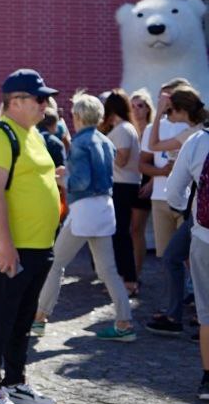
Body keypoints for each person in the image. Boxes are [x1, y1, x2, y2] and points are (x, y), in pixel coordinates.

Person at [0, 69, 62, 404]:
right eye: (41, 98)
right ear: (17, 102)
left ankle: (15, 381)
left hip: (39, 245)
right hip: (13, 246)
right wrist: (5, 245)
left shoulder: (33, 134)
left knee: (23, 319)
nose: (47, 104)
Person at [34, 92, 134, 341]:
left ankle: (39, 318)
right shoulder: (105, 140)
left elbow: (80, 181)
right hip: (104, 207)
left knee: (56, 263)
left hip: (84, 210)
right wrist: (68, 172)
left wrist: (60, 178)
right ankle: (124, 323)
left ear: (78, 116)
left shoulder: (79, 142)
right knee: (109, 271)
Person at [144, 86, 206, 337]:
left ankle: (180, 317)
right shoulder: (198, 131)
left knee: (174, 257)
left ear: (181, 110)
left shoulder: (192, 136)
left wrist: (157, 113)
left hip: (195, 210)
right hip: (198, 208)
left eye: (171, 111)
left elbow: (154, 144)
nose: (169, 115)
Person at [159, 119, 209, 399]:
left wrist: (184, 210)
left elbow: (174, 191)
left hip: (204, 237)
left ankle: (208, 380)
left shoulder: (198, 141)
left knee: (207, 313)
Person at [140, 78, 190, 260]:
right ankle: (171, 288)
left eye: (169, 96)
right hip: (160, 199)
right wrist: (160, 173)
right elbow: (143, 163)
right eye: (162, 96)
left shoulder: (191, 126)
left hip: (187, 199)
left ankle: (192, 287)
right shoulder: (152, 128)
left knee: (188, 255)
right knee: (165, 255)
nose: (165, 100)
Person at [101, 90, 142, 295]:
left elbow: (122, 159)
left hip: (123, 185)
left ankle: (128, 281)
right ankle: (124, 279)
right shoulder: (125, 128)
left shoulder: (123, 129)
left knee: (120, 235)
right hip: (124, 184)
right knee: (119, 234)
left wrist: (105, 148)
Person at [129, 89, 154, 281]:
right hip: (128, 183)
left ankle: (136, 273)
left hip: (146, 183)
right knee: (127, 230)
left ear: (148, 108)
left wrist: (153, 182)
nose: (136, 110)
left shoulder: (153, 130)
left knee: (137, 230)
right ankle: (128, 271)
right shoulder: (129, 130)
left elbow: (161, 160)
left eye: (140, 106)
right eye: (133, 106)